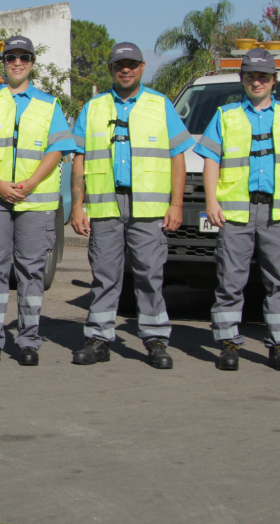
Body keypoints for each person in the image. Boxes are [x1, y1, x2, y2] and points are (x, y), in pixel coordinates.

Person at [69, 41, 193, 369]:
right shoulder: (93, 108)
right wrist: (78, 206)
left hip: (148, 208)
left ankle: (154, 339)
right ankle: (98, 338)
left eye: (132, 64)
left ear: (141, 68)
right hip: (105, 204)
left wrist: (176, 204)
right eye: (119, 64)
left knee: (150, 274)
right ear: (110, 69)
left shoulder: (160, 104)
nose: (126, 69)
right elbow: (79, 159)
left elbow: (177, 157)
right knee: (105, 274)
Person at [193, 48, 280, 372]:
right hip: (236, 212)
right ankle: (228, 344)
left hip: (277, 213)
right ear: (242, 80)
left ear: (274, 80)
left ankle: (279, 345)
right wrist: (211, 202)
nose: (257, 81)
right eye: (251, 76)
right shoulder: (226, 116)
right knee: (230, 280)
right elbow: (211, 161)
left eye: (263, 76)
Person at [0, 36, 74, 367]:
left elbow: (57, 150)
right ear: (5, 63)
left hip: (34, 199)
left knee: (31, 270)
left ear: (32, 63)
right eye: (11, 57)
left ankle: (28, 340)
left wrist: (30, 183)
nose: (17, 63)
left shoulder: (48, 104)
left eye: (24, 57)